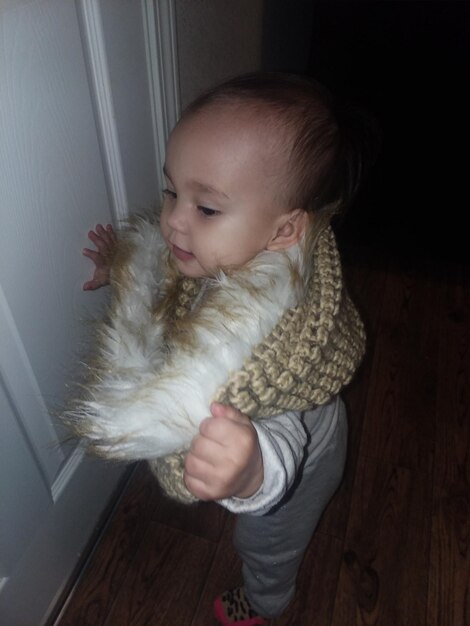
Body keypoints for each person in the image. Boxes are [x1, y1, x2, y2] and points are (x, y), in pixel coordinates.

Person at [78, 72, 374, 625]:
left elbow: (283, 439)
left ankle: (268, 600)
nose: (172, 221)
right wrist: (123, 269)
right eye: (172, 192)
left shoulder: (278, 353)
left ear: (286, 232)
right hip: (277, 434)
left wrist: (252, 472)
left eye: (205, 208)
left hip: (293, 456)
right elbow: (169, 286)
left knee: (266, 544)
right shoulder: (233, 243)